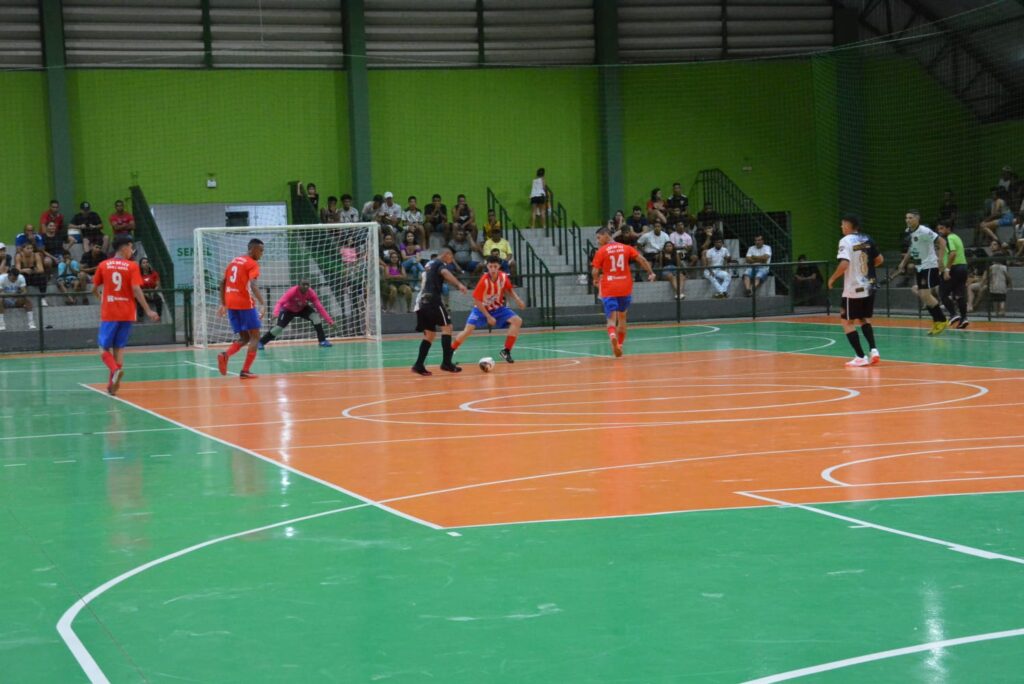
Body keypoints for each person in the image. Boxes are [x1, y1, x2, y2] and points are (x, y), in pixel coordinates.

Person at [91, 236, 159, 395]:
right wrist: (148, 310)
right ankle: (111, 385)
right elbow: (136, 289)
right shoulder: (132, 266)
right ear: (124, 247)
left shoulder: (103, 265)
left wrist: (100, 297)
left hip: (110, 312)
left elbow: (94, 288)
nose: (132, 251)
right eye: (130, 247)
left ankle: (114, 371)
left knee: (103, 348)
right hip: (128, 313)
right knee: (119, 348)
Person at [827, 214, 883, 367]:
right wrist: (864, 270)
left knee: (846, 321)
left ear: (848, 226)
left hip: (853, 288)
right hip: (869, 286)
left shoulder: (845, 241)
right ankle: (874, 349)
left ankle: (860, 356)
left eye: (843, 224)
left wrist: (832, 279)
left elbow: (844, 263)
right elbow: (879, 260)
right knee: (864, 318)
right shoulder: (868, 239)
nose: (841, 227)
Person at [591, 226, 655, 358]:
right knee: (622, 317)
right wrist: (650, 273)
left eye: (599, 237)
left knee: (611, 319)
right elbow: (642, 259)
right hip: (625, 286)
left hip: (609, 286)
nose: (598, 241)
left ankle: (612, 336)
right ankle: (620, 345)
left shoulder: (602, 251)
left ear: (606, 235)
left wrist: (596, 280)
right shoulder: (626, 247)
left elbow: (595, 271)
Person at [451, 255, 527, 363]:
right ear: (487, 266)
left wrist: (518, 300)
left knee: (517, 321)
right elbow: (476, 300)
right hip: (481, 309)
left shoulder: (503, 277)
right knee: (468, 330)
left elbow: (509, 289)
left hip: (498, 308)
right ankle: (451, 349)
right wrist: (488, 316)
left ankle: (506, 351)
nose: (492, 269)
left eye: (495, 266)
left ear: (499, 267)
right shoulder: (484, 281)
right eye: (490, 266)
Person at [411, 248, 469, 375]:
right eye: (451, 257)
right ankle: (446, 363)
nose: (451, 260)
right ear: (446, 254)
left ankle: (418, 365)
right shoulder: (439, 264)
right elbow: (445, 273)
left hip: (422, 301)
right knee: (447, 327)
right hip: (432, 300)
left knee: (430, 335)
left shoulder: (428, 264)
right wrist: (459, 284)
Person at [217, 238, 265, 379]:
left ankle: (225, 355)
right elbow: (253, 284)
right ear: (253, 249)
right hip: (245, 303)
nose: (262, 253)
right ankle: (245, 370)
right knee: (255, 337)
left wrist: (223, 303)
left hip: (231, 303)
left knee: (244, 337)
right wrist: (263, 304)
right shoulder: (252, 264)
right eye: (261, 250)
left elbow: (222, 282)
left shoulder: (234, 261)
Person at [897, 209, 949, 335]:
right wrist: (903, 262)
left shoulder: (924, 231)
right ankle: (938, 321)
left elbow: (942, 242)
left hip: (929, 265)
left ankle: (942, 320)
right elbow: (912, 248)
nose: (907, 220)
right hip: (920, 266)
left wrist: (941, 261)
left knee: (925, 295)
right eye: (906, 218)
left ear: (917, 218)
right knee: (922, 294)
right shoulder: (910, 232)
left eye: (910, 218)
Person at [259, 278, 334, 348]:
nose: (305, 286)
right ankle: (261, 342)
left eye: (307, 284)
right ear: (299, 285)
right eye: (303, 284)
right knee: (278, 328)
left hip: (302, 309)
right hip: (288, 310)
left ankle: (322, 341)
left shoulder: (311, 293)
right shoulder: (292, 291)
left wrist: (330, 321)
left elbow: (319, 307)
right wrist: (276, 313)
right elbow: (280, 302)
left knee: (316, 318)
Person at [936, 219, 968, 329]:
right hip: (963, 267)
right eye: (938, 229)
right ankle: (964, 318)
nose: (939, 231)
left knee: (943, 294)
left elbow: (953, 254)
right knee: (960, 294)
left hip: (954, 268)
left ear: (948, 229)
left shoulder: (949, 238)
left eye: (942, 228)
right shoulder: (957, 237)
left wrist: (947, 270)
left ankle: (953, 314)